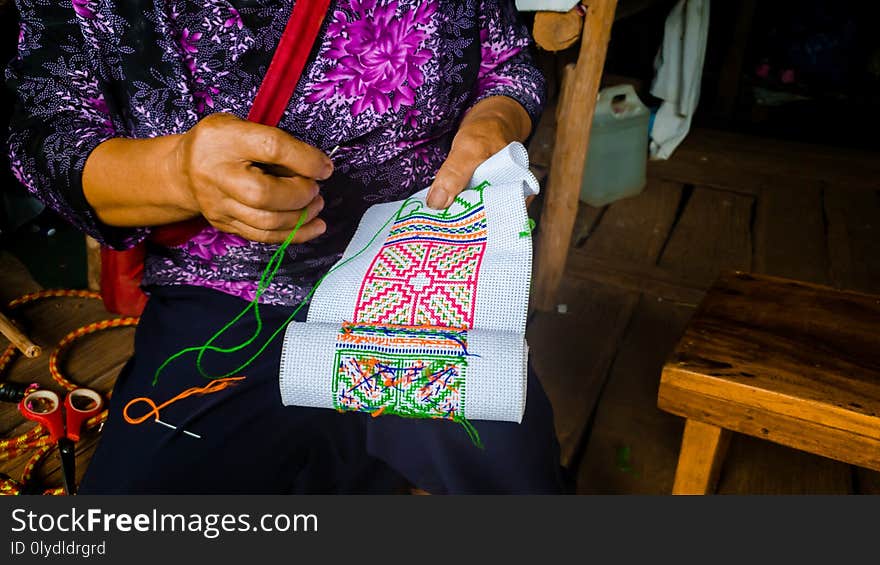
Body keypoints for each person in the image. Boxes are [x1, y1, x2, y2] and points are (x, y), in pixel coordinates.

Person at [6, 0, 564, 494]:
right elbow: (45, 134)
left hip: (425, 273)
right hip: (231, 292)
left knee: (513, 483)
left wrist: (497, 119)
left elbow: (505, 63)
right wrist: (178, 175)